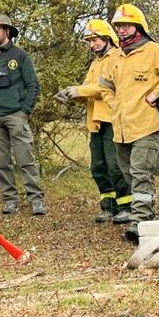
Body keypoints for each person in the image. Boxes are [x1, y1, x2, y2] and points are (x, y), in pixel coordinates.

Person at [99, 4, 159, 243]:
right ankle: (146, 211)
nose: (122, 30)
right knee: (129, 173)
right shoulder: (115, 56)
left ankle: (140, 222)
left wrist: (157, 93)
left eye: (126, 25)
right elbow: (104, 86)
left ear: (138, 27)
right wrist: (114, 104)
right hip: (121, 128)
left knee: (140, 172)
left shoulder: (155, 51)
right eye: (118, 26)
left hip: (146, 126)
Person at [54, 19, 132, 223]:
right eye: (90, 41)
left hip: (112, 120)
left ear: (108, 38)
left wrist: (79, 90)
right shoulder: (96, 63)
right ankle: (108, 207)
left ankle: (126, 207)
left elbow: (105, 87)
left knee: (115, 166)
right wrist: (71, 95)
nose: (92, 44)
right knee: (98, 167)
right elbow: (88, 89)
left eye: (96, 39)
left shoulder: (118, 57)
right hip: (96, 121)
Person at [0, 13, 45, 215]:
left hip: (16, 114)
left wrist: (24, 111)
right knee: (1, 162)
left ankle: (36, 199)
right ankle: (10, 199)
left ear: (7, 31)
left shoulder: (21, 56)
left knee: (25, 158)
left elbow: (32, 85)